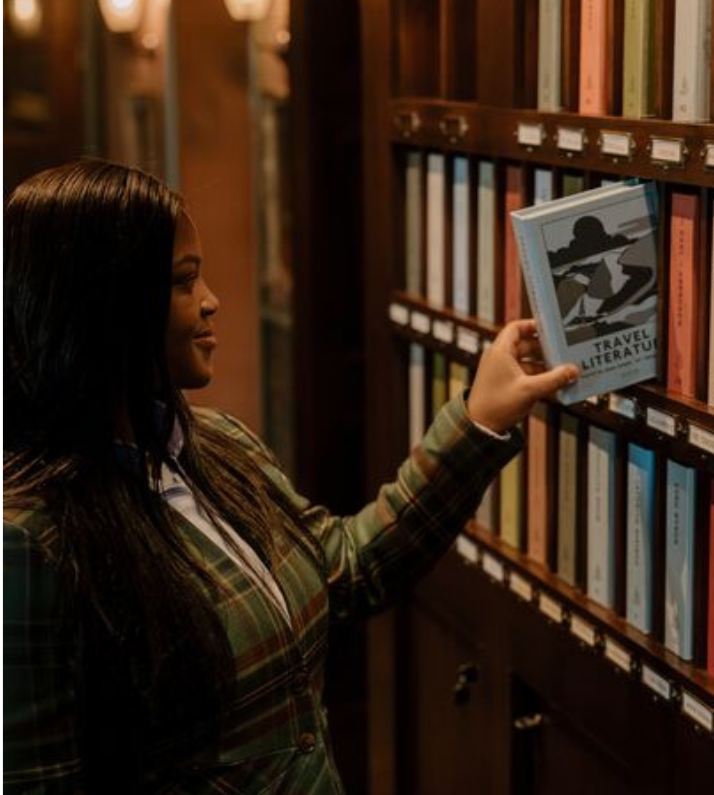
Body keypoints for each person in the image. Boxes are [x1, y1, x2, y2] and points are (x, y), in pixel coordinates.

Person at [4, 159, 579, 795]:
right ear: (105, 307)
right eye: (183, 281)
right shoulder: (27, 540)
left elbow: (347, 570)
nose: (211, 300)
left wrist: (479, 419)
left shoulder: (219, 446)